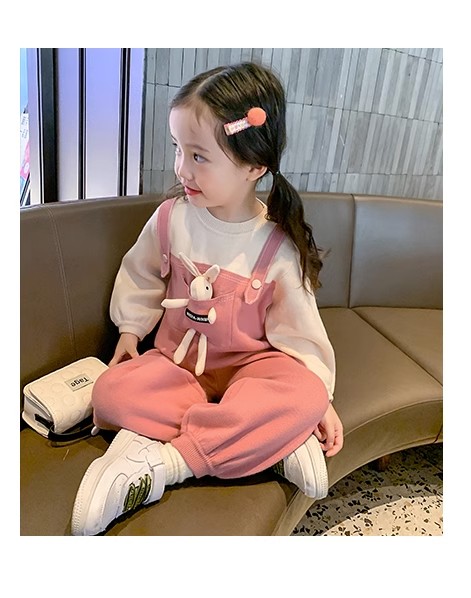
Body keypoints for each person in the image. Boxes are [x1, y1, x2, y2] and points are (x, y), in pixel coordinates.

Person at [71, 62, 343, 536]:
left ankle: (167, 462)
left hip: (252, 371)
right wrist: (131, 330)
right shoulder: (171, 218)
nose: (181, 168)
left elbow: (301, 335)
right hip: (176, 368)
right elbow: (140, 275)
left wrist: (320, 398)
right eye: (178, 149)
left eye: (199, 156)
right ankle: (263, 440)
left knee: (305, 395)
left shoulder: (276, 247)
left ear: (254, 166)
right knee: (111, 392)